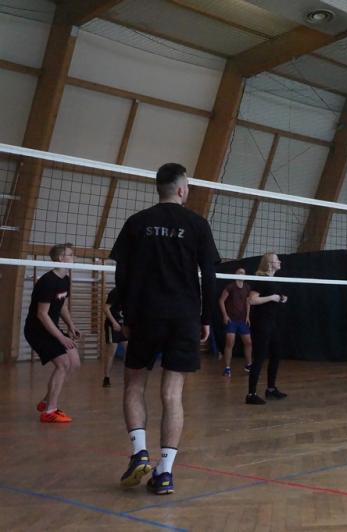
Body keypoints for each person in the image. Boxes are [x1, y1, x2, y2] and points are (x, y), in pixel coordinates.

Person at [111, 162, 220, 495]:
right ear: (182, 190)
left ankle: (140, 453)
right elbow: (210, 277)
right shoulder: (197, 224)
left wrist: (125, 316)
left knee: (134, 384)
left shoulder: (137, 222)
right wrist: (206, 319)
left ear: (159, 188)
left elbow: (121, 275)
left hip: (144, 314)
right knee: (173, 394)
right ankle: (165, 473)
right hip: (184, 317)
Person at [26, 243, 80, 423]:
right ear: (60, 258)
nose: (74, 257)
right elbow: (42, 314)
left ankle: (46, 401)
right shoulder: (48, 281)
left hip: (52, 327)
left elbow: (62, 306)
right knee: (63, 364)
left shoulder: (65, 279)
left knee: (74, 363)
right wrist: (61, 337)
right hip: (37, 330)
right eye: (70, 255)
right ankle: (50, 410)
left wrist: (71, 326)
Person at [246, 252, 288, 404]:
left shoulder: (274, 280)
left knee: (276, 354)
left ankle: (271, 389)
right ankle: (251, 394)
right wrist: (271, 297)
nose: (280, 262)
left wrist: (281, 298)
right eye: (277, 260)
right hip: (261, 323)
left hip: (273, 323)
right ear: (270, 263)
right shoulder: (261, 279)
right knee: (259, 357)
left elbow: (274, 297)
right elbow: (252, 300)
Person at [219, 267, 253, 377]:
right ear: (235, 274)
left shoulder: (247, 287)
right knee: (230, 343)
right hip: (231, 320)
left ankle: (248, 365)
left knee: (248, 342)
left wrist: (247, 316)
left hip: (242, 320)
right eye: (240, 272)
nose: (242, 274)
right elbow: (221, 301)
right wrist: (225, 315)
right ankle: (227, 368)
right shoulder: (230, 286)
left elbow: (248, 302)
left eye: (244, 273)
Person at [102, 286, 127, 387]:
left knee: (130, 352)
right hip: (112, 326)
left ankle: (128, 376)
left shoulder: (132, 292)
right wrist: (114, 323)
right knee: (111, 352)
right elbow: (106, 308)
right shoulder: (116, 291)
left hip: (124, 326)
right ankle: (106, 378)